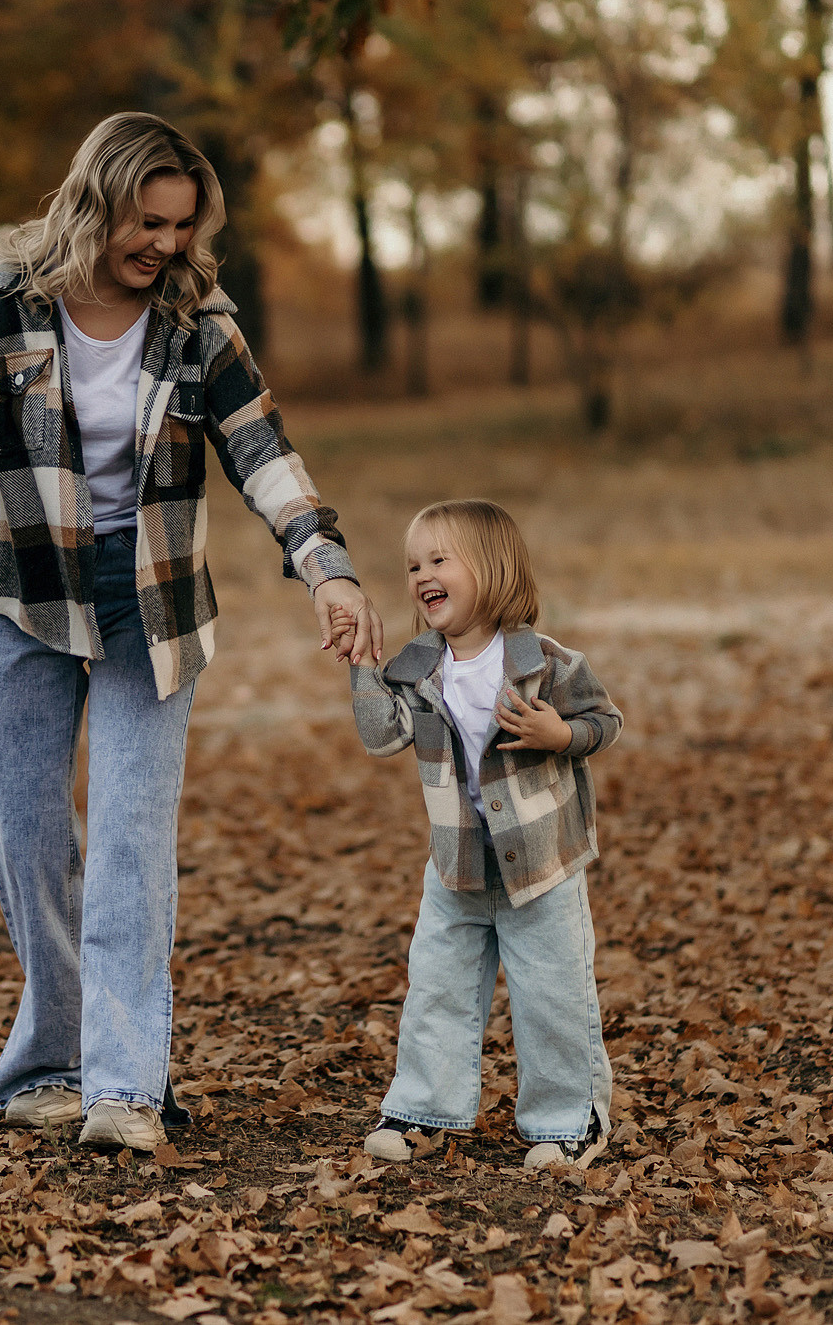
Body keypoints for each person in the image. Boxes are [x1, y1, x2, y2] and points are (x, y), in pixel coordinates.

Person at [0, 112, 385, 1152]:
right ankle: (49, 1063)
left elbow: (263, 451)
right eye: (147, 222)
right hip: (22, 595)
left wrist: (326, 567)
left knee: (129, 839)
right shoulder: (0, 305)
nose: (165, 244)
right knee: (29, 841)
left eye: (180, 225)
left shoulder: (197, 322)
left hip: (149, 604)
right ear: (96, 201)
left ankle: (123, 1085)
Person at [338, 499, 621, 1169]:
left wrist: (560, 733)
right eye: (413, 565)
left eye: (439, 560)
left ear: (492, 570)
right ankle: (423, 1112)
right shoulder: (417, 668)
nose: (421, 576)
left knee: (551, 994)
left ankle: (571, 1119)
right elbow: (381, 736)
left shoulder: (544, 662)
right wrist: (361, 664)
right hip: (457, 862)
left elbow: (604, 721)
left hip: (542, 865)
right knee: (437, 986)